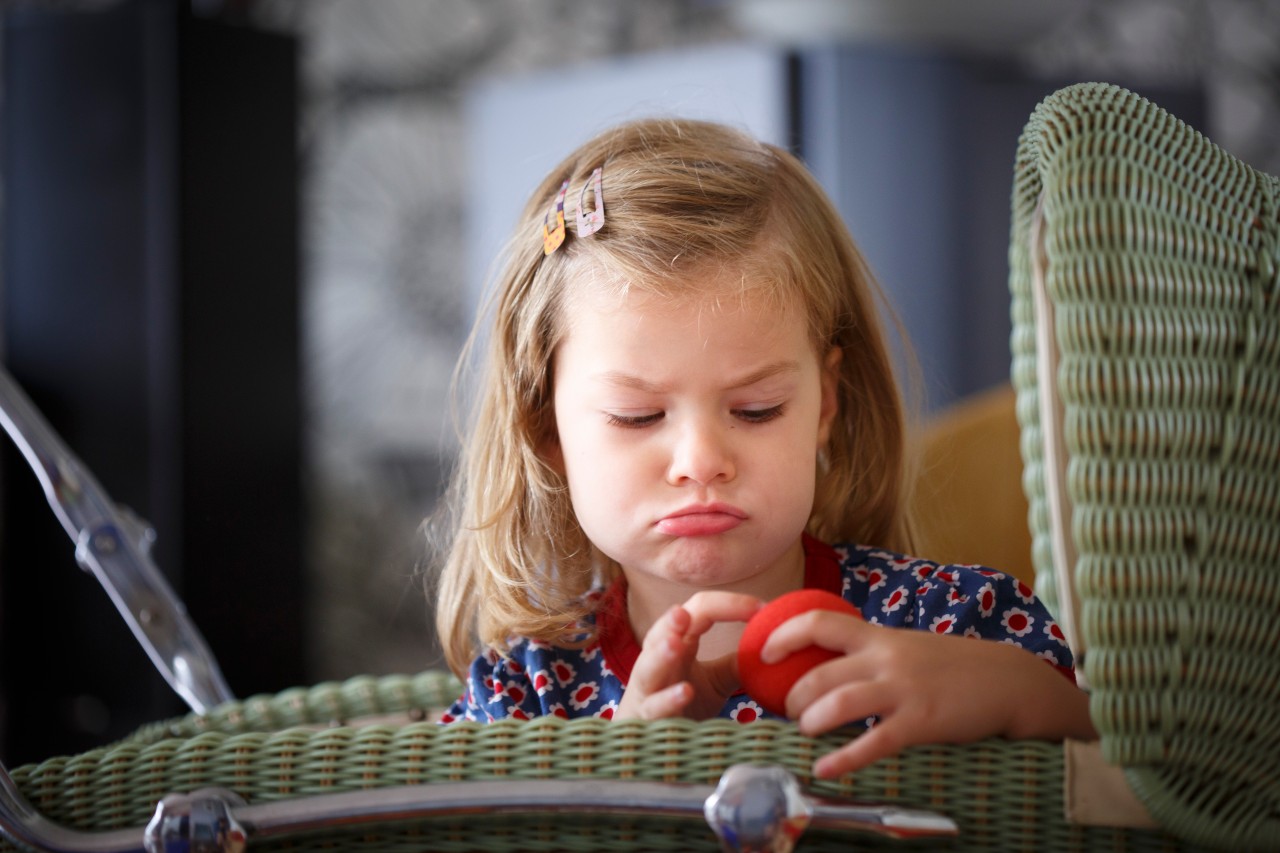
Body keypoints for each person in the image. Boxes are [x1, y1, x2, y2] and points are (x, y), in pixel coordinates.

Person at [433, 117, 1096, 778]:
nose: (699, 460)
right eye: (637, 416)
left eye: (756, 409)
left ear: (824, 404)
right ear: (548, 428)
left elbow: (1152, 794)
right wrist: (614, 776)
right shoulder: (521, 699)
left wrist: (1021, 693)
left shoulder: (952, 624)